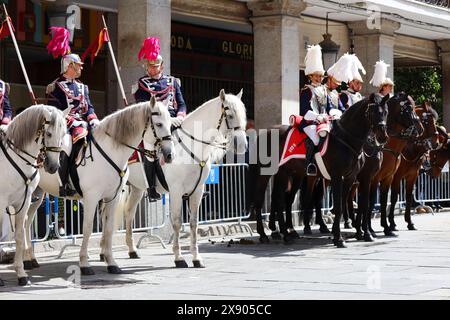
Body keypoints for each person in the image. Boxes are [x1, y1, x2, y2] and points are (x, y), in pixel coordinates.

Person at [132, 36, 187, 201]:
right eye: (150, 66)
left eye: (156, 66)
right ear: (146, 66)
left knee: (192, 142)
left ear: (162, 66)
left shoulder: (173, 82)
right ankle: (151, 188)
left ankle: (192, 182)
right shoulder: (141, 84)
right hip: (154, 125)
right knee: (150, 149)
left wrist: (180, 116)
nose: (153, 69)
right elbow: (142, 107)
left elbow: (182, 103)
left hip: (174, 121)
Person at [46, 53, 100, 197]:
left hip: (83, 122)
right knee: (67, 144)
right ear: (69, 66)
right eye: (78, 66)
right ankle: (64, 183)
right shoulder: (55, 86)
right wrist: (68, 118)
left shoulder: (83, 87)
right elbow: (53, 109)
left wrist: (93, 118)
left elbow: (89, 107)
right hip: (65, 124)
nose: (80, 68)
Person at [299, 47, 347, 176]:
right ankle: (310, 164)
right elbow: (304, 110)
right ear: (310, 76)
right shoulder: (306, 90)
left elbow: (330, 106)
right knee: (316, 138)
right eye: (316, 76)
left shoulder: (325, 90)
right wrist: (317, 117)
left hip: (324, 121)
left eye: (321, 76)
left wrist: (335, 114)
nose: (319, 78)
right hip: (310, 122)